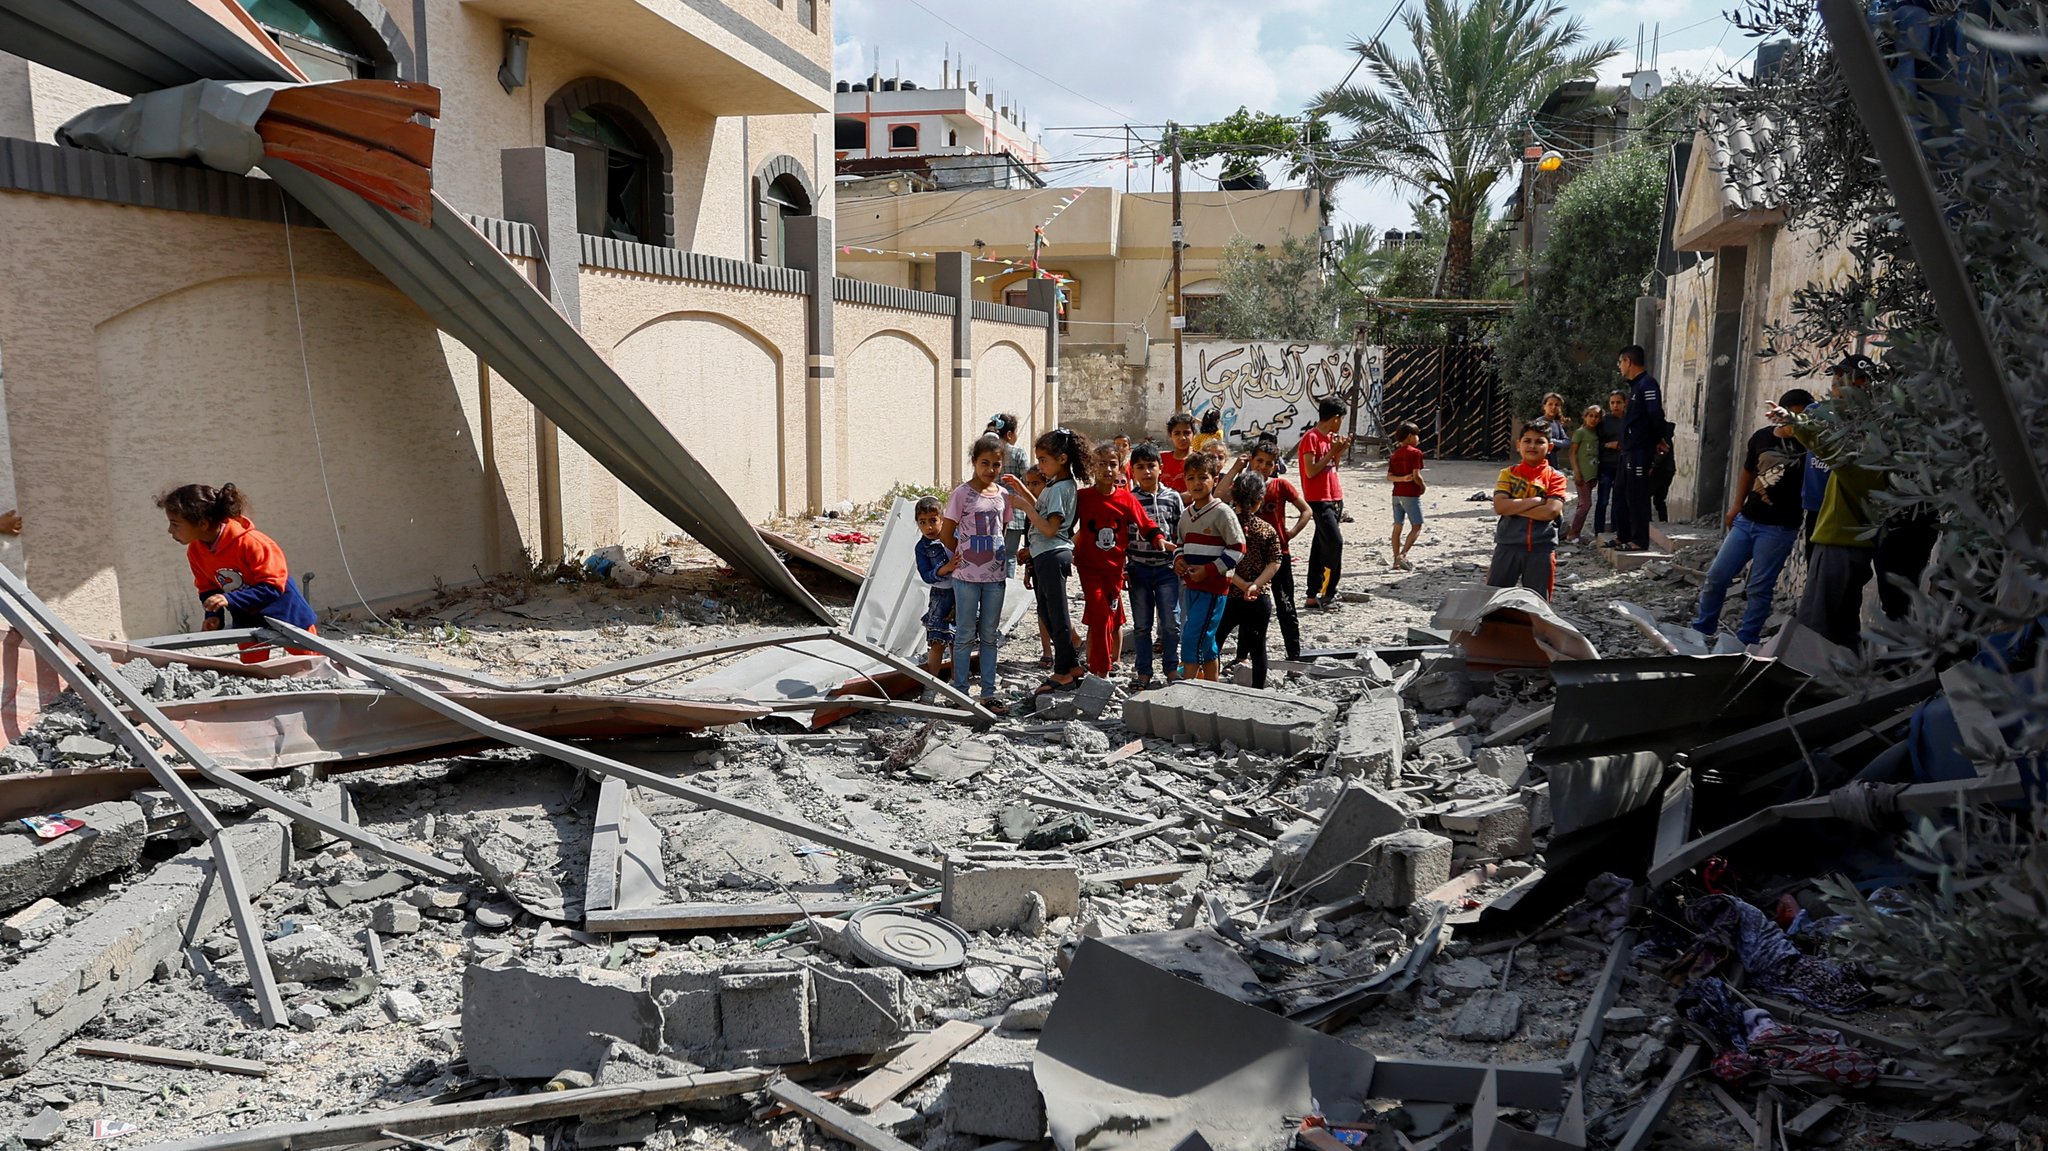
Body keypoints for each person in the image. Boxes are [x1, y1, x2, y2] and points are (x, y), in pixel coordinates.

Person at [1689, 389, 1813, 649]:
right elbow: (1747, 472)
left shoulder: (1810, 447)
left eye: (1801, 418)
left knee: (1759, 587)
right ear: (1780, 415)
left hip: (1779, 528)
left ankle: (1747, 640)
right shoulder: (1761, 438)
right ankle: (1702, 629)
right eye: (1791, 416)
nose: (1794, 423)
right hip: (1748, 520)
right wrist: (1736, 507)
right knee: (1716, 577)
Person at [1777, 355, 1884, 648]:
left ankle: (1812, 682)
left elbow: (1833, 450)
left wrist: (1795, 423)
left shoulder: (1868, 432)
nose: (1835, 382)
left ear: (1862, 383)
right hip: (1844, 534)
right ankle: (1845, 678)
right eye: (1835, 375)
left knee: (1817, 625)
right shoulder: (1865, 424)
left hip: (1842, 538)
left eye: (1843, 376)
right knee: (1842, 622)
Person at [158, 483, 317, 662]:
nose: (170, 531)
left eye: (175, 524)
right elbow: (208, 588)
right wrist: (214, 615)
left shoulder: (253, 543)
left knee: (314, 662)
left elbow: (272, 587)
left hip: (285, 613)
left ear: (202, 523)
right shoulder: (195, 551)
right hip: (247, 616)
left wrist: (230, 599)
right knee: (253, 666)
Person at [1003, 427, 1091, 694]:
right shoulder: (1056, 485)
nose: (1040, 466)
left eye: (1043, 460)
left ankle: (1063, 671)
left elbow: (1050, 528)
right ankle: (1073, 665)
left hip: (1053, 553)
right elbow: (1043, 510)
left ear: (1062, 459)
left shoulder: (1061, 487)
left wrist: (1025, 507)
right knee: (1047, 613)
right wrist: (1023, 491)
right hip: (1045, 554)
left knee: (1057, 614)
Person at [1074, 443, 1167, 678]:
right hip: (1089, 568)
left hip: (1115, 571)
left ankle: (1103, 663)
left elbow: (1145, 523)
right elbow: (1064, 526)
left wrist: (1158, 539)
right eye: (1101, 463)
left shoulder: (1126, 499)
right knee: (1099, 614)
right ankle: (1100, 671)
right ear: (1093, 467)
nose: (1107, 469)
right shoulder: (1082, 497)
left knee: (1109, 617)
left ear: (1120, 468)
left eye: (1112, 464)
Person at [941, 436, 1011, 712]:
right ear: (973, 462)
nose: (990, 470)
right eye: (985, 463)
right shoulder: (961, 494)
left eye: (996, 464)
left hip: (995, 578)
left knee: (990, 635)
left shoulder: (1003, 495)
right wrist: (961, 555)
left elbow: (1001, 532)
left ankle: (989, 693)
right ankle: (960, 691)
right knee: (964, 634)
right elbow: (948, 533)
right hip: (966, 578)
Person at [1172, 451, 1243, 682]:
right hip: (1192, 587)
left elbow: (1238, 548)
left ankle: (1189, 687)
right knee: (1206, 639)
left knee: (1192, 637)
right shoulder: (1186, 515)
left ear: (1214, 478)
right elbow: (1180, 544)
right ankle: (1214, 686)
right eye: (1191, 478)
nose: (1197, 483)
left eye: (1203, 477)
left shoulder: (1222, 513)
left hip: (1213, 588)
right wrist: (1179, 560)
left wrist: (1209, 570)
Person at [1213, 472, 1283, 688]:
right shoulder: (1266, 530)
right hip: (1258, 598)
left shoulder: (1224, 527)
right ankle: (1258, 692)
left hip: (1229, 595)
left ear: (1234, 496)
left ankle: (1211, 685)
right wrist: (1255, 585)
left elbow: (1219, 562)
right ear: (1260, 501)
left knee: (1214, 641)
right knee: (1258, 647)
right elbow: (1275, 562)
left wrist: (1241, 584)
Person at [1125, 442, 1185, 691]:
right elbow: (1122, 537)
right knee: (1141, 625)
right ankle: (1144, 672)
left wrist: (1180, 557)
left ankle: (1171, 668)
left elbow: (1181, 532)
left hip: (1167, 570)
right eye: (1140, 467)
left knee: (1171, 623)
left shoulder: (1173, 498)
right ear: (1132, 471)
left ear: (1161, 468)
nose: (1147, 472)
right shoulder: (1129, 500)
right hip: (1138, 569)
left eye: (1151, 466)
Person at [1487, 423, 1568, 598]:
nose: (1532, 446)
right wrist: (1537, 501)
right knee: (1493, 599)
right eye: (1527, 441)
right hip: (1507, 545)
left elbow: (1550, 512)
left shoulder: (1556, 477)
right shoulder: (1508, 473)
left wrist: (1513, 507)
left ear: (1550, 447)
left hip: (1542, 548)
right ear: (1518, 445)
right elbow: (1500, 507)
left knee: (1537, 604)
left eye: (1539, 442)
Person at [1245, 437, 1307, 660]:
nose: (1263, 467)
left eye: (1269, 463)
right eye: (1259, 461)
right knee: (1249, 605)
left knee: (1286, 605)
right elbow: (1222, 496)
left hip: (1279, 555)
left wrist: (1290, 534)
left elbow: (1306, 511)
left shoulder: (1280, 486)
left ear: (1275, 465)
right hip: (1250, 557)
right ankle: (1243, 656)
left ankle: (1294, 656)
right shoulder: (1244, 486)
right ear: (1251, 460)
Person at [1298, 398, 1351, 609]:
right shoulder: (1311, 438)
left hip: (1335, 496)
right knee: (1334, 543)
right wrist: (1332, 450)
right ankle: (1328, 593)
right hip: (1318, 499)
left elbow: (1333, 466)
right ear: (1335, 418)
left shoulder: (1330, 438)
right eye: (1341, 419)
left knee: (1320, 546)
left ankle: (1312, 594)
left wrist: (1339, 450)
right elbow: (1311, 471)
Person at [1612, 345, 1665, 551]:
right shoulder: (1635, 386)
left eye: (1620, 362)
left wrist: (1659, 438)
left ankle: (1639, 540)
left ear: (1628, 361)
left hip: (1639, 450)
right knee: (1620, 494)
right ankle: (1623, 536)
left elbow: (1655, 415)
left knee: (1637, 495)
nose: (1619, 367)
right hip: (1628, 450)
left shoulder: (1647, 384)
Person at [913, 496, 957, 678]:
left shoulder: (955, 537)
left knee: (958, 642)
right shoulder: (922, 547)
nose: (928, 527)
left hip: (963, 593)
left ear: (942, 519)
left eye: (933, 521)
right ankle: (931, 685)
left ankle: (958, 684)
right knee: (937, 641)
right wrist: (944, 569)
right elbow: (926, 575)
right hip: (941, 597)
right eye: (922, 522)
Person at [988, 413, 1029, 578]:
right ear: (1010, 434)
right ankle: (1007, 591)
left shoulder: (990, 452)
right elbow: (1027, 478)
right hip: (1015, 508)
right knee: (1010, 554)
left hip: (992, 505)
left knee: (993, 553)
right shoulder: (1018, 452)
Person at [1387, 421, 1426, 569]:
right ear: (1410, 436)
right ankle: (1403, 555)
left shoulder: (1395, 454)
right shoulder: (1416, 453)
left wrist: (1402, 479)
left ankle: (1395, 561)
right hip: (1410, 494)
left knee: (1398, 526)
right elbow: (1417, 475)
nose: (1418, 439)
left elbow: (1389, 476)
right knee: (1417, 526)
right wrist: (1422, 486)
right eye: (1416, 435)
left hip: (1396, 494)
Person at [1564, 406, 1603, 545]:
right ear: (1585, 417)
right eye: (1590, 416)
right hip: (1583, 475)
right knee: (1585, 504)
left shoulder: (1596, 434)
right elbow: (1572, 453)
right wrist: (1577, 472)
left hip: (1592, 474)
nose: (1593, 419)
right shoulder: (1580, 432)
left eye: (1596, 416)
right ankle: (1573, 533)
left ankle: (1576, 533)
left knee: (1585, 504)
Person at [1595, 390, 1627, 540]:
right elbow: (1595, 444)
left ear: (1624, 403)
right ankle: (1598, 532)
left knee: (1618, 500)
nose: (1615, 405)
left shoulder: (1629, 420)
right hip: (1607, 465)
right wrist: (1609, 445)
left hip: (1623, 465)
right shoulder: (1604, 421)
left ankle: (1616, 531)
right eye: (1612, 402)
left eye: (1618, 402)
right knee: (1602, 500)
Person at [1160, 412, 1196, 492]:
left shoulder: (1199, 460)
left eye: (1186, 433)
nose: (1182, 438)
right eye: (1177, 433)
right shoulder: (1161, 459)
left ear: (1193, 434)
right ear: (1170, 435)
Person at [1538, 392, 1572, 471]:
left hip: (1553, 463)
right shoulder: (1539, 423)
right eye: (1550, 404)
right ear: (1544, 406)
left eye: (1557, 405)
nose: (1553, 407)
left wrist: (1552, 441)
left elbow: (1567, 442)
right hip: (1540, 463)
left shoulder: (1556, 424)